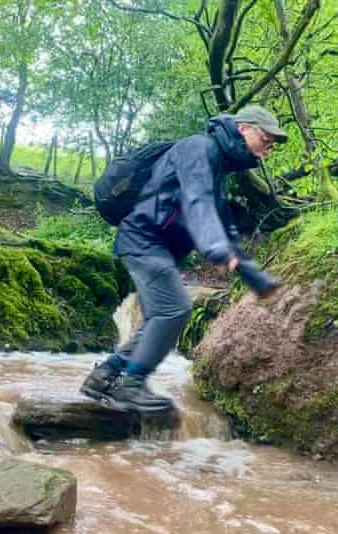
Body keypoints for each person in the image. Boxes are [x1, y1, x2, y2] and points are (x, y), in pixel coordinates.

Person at [80, 105, 287, 414]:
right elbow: (197, 201)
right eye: (266, 141)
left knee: (162, 316)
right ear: (244, 129)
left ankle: (106, 375)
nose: (267, 151)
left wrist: (255, 276)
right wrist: (215, 249)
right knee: (174, 308)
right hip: (142, 240)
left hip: (157, 247)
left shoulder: (218, 167)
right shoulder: (199, 148)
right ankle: (130, 386)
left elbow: (223, 221)